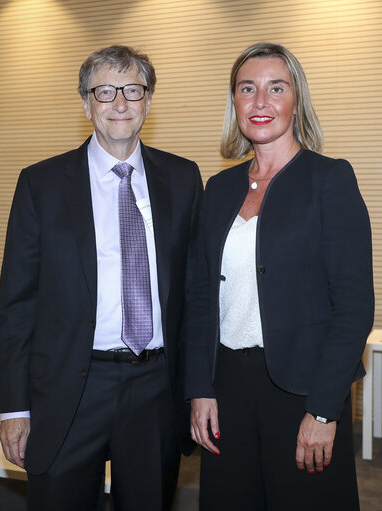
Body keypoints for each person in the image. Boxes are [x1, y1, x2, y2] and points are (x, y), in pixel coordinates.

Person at [0, 45, 202, 511]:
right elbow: (18, 304)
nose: (120, 103)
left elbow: (195, 296)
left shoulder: (184, 179)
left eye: (133, 90)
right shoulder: (41, 184)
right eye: (105, 91)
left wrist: (198, 389)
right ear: (85, 103)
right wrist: (14, 407)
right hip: (68, 388)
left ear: (149, 101)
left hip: (155, 387)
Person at [185, 42, 374, 511]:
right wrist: (199, 389)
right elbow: (201, 297)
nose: (261, 101)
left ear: (297, 100)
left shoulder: (329, 180)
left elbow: (352, 308)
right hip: (226, 389)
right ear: (234, 101)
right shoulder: (219, 188)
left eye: (276, 88)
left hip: (303, 392)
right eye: (247, 88)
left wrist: (325, 408)